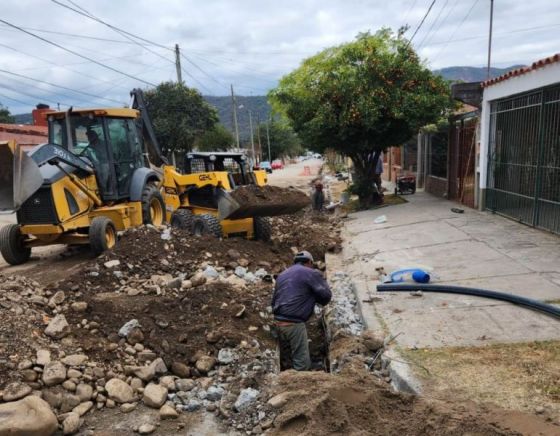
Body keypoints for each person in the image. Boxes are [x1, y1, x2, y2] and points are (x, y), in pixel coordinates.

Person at [272, 250, 332, 371]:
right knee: (302, 364)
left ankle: (287, 364)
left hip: (278, 321)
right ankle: (299, 380)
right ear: (310, 262)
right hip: (293, 323)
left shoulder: (283, 274)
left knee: (289, 355)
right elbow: (325, 296)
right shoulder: (310, 273)